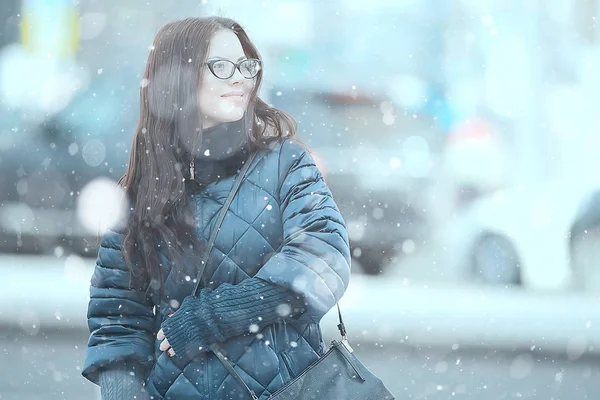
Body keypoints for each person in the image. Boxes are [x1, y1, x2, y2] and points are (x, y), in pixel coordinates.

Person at [81, 16, 351, 400]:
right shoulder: (143, 190)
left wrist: (212, 316)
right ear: (178, 78)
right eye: (221, 67)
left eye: (246, 65)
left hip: (284, 390)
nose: (240, 78)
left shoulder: (285, 164)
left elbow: (324, 259)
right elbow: (119, 321)